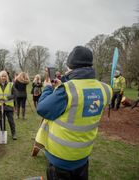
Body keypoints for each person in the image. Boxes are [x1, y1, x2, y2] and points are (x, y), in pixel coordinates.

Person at [35, 46, 112, 180]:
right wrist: (62, 86)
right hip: (83, 154)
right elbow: (81, 99)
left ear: (71, 66)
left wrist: (48, 88)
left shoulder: (67, 91)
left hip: (60, 157)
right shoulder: (105, 89)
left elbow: (42, 108)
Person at [0, 70, 17, 140]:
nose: (3, 77)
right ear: (0, 77)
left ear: (7, 77)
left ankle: (14, 134)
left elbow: (15, 94)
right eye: (2, 76)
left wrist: (7, 98)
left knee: (11, 120)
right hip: (0, 106)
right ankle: (3, 134)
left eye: (5, 76)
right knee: (2, 120)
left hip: (8, 106)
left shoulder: (11, 84)